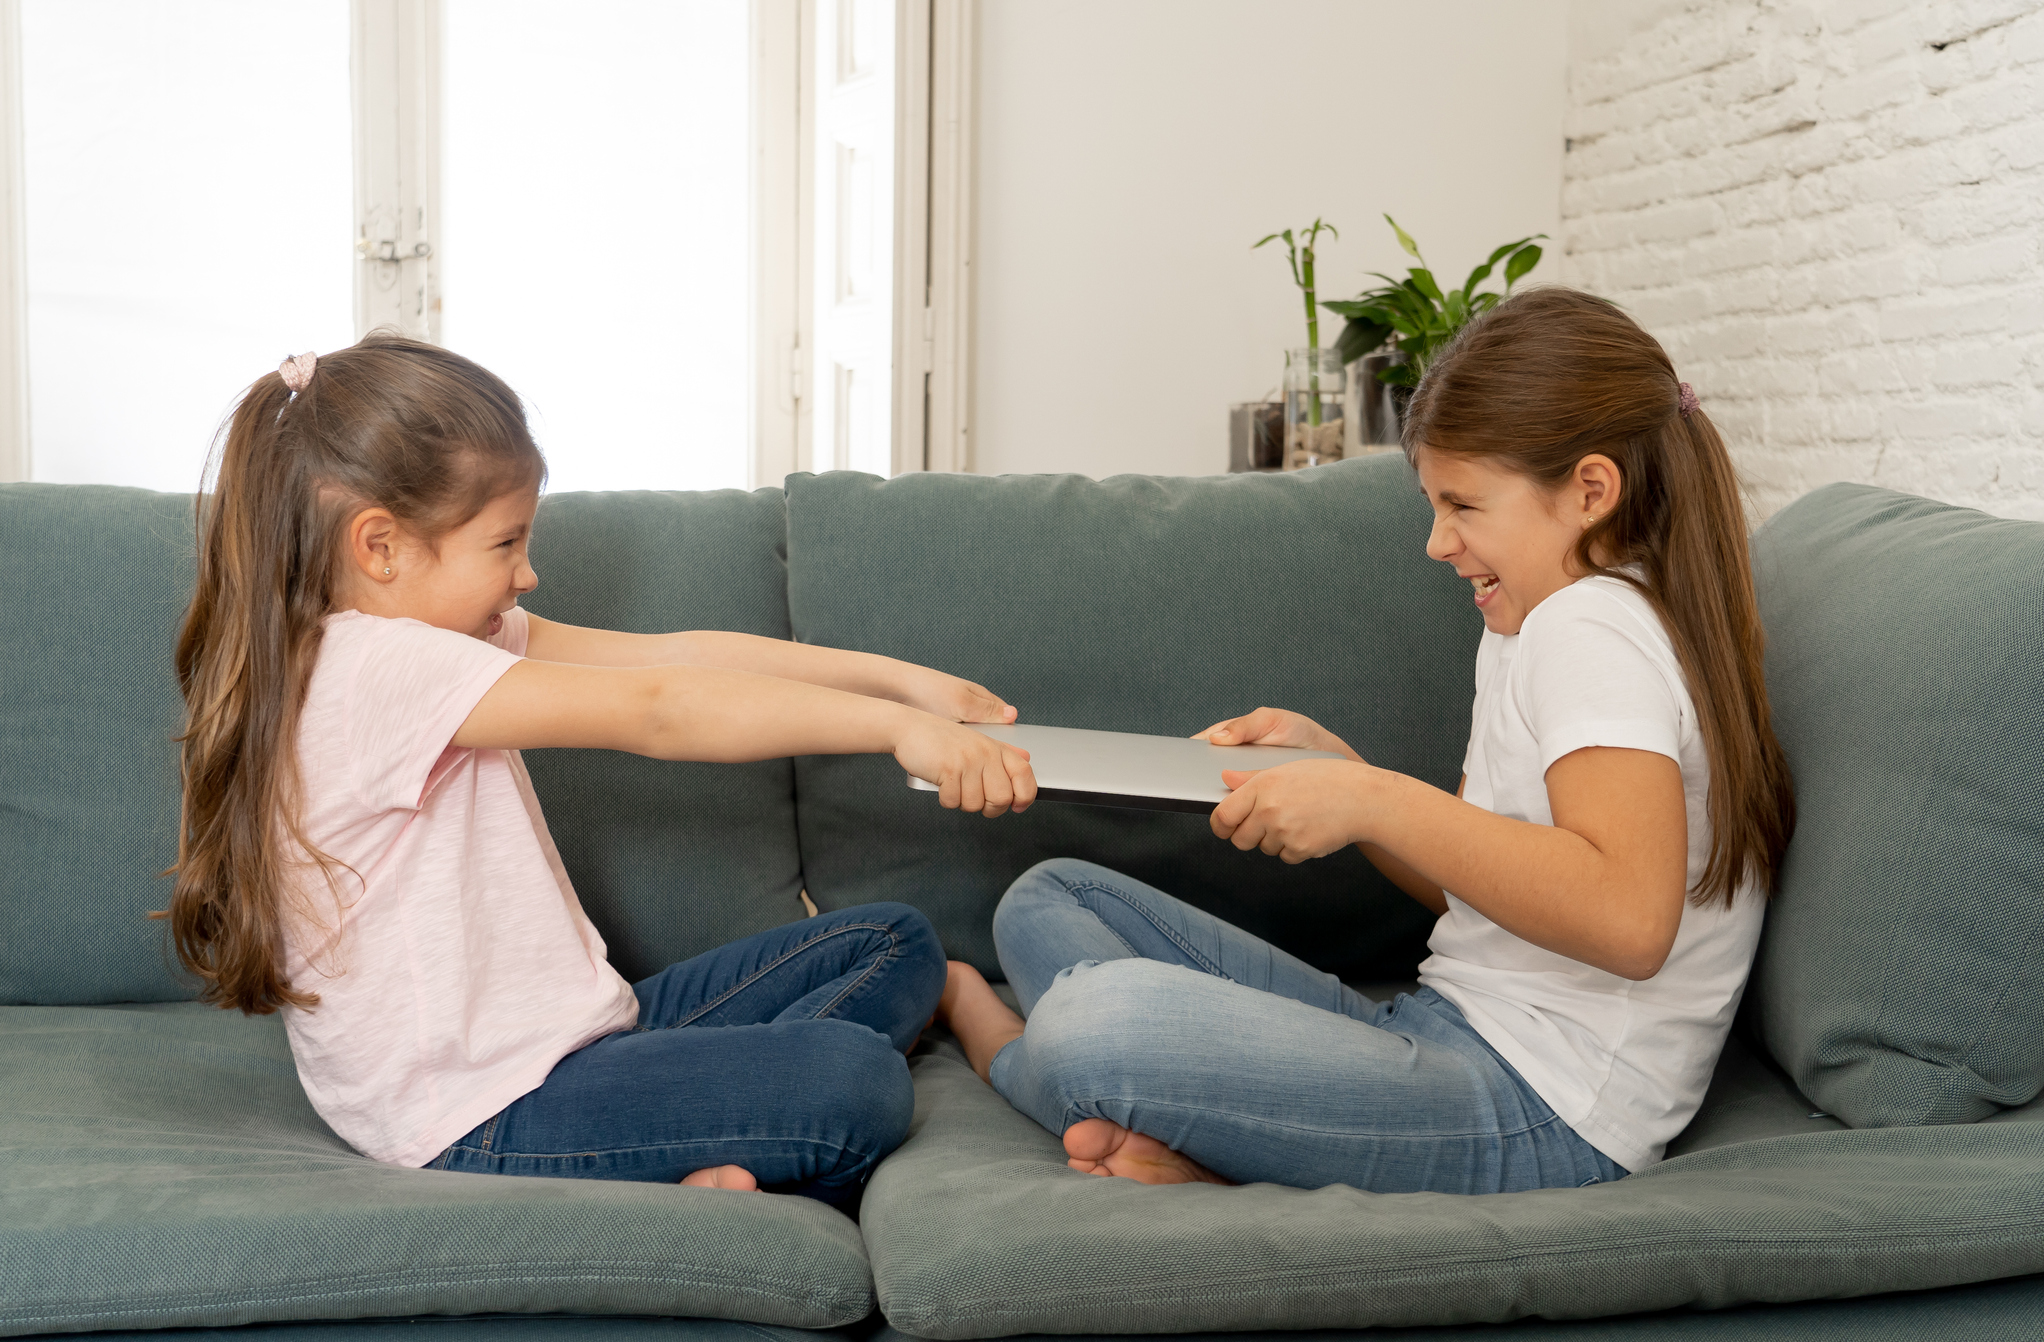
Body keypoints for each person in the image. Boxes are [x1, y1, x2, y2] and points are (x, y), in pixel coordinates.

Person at [939, 287, 1796, 1195]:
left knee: (1088, 1024)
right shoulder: (1533, 619)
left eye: (1463, 506)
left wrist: (1378, 799)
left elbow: (1629, 923)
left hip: (1542, 1106)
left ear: (1590, 490)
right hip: (1447, 1031)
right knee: (1051, 896)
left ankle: (1000, 1044)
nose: (1438, 542)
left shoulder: (1589, 628)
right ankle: (1208, 1137)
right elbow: (1489, 888)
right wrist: (1343, 779)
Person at [162, 334, 1036, 1199]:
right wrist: (894, 732)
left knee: (895, 941)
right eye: (506, 544)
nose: (530, 573)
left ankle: (699, 1141)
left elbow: (680, 658)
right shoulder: (375, 668)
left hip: (577, 1042)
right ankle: (705, 1139)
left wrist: (903, 684)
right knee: (858, 1085)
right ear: (380, 547)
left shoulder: (435, 641)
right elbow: (660, 709)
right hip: (481, 1111)